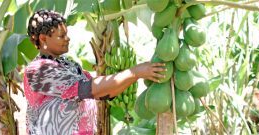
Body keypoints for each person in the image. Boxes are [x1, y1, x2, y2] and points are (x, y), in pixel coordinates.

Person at [24, 9, 166, 135]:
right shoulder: (38, 70)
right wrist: (135, 72)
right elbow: (88, 89)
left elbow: (103, 93)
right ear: (43, 39)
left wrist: (137, 75)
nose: (67, 39)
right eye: (61, 36)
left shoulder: (69, 64)